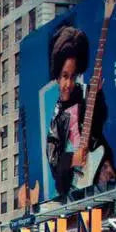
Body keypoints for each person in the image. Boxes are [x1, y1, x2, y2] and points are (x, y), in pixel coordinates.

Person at [46, 22, 111, 200]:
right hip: (72, 190)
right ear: (57, 76)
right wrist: (72, 159)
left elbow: (100, 124)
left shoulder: (88, 93)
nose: (68, 84)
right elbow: (53, 159)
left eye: (73, 76)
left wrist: (97, 95)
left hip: (100, 178)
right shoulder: (57, 117)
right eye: (64, 76)